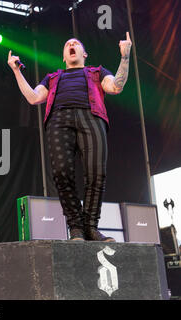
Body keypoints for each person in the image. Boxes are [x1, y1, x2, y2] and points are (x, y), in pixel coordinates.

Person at [8, 32, 132, 241]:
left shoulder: (97, 72)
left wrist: (125, 56)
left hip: (91, 117)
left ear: (84, 54)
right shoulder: (53, 77)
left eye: (76, 43)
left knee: (96, 174)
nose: (72, 45)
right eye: (68, 44)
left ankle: (91, 227)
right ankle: (75, 227)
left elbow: (115, 87)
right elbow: (34, 97)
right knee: (61, 173)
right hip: (59, 121)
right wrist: (16, 71)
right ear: (64, 56)